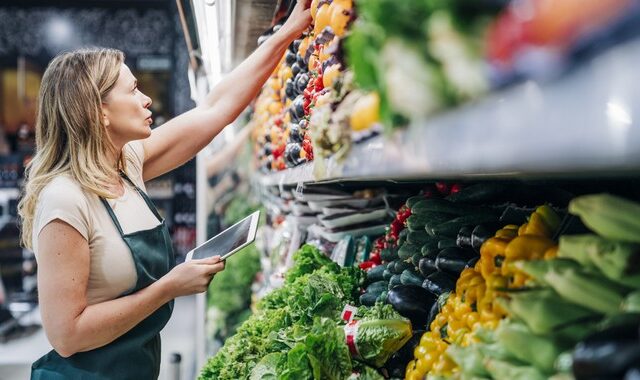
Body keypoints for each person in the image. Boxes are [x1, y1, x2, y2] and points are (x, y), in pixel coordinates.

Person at [16, 1, 312, 378]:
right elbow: (66, 335)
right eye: (133, 89)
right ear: (99, 111)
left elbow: (215, 109)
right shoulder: (65, 199)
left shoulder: (126, 165)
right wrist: (168, 287)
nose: (147, 99)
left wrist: (286, 33)